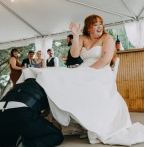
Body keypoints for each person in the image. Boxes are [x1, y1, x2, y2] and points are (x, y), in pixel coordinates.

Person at [16, 14, 144, 146]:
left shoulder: (107, 37)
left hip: (100, 71)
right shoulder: (83, 38)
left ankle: (71, 122)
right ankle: (52, 117)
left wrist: (86, 72)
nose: (100, 26)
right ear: (89, 28)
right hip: (83, 70)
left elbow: (105, 60)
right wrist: (76, 35)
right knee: (56, 76)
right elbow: (74, 54)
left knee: (71, 78)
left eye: (101, 24)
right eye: (95, 24)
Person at [0, 78, 64, 147]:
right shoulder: (48, 88)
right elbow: (52, 113)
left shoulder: (20, 86)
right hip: (21, 114)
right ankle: (26, 145)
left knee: (16, 135)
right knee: (56, 136)